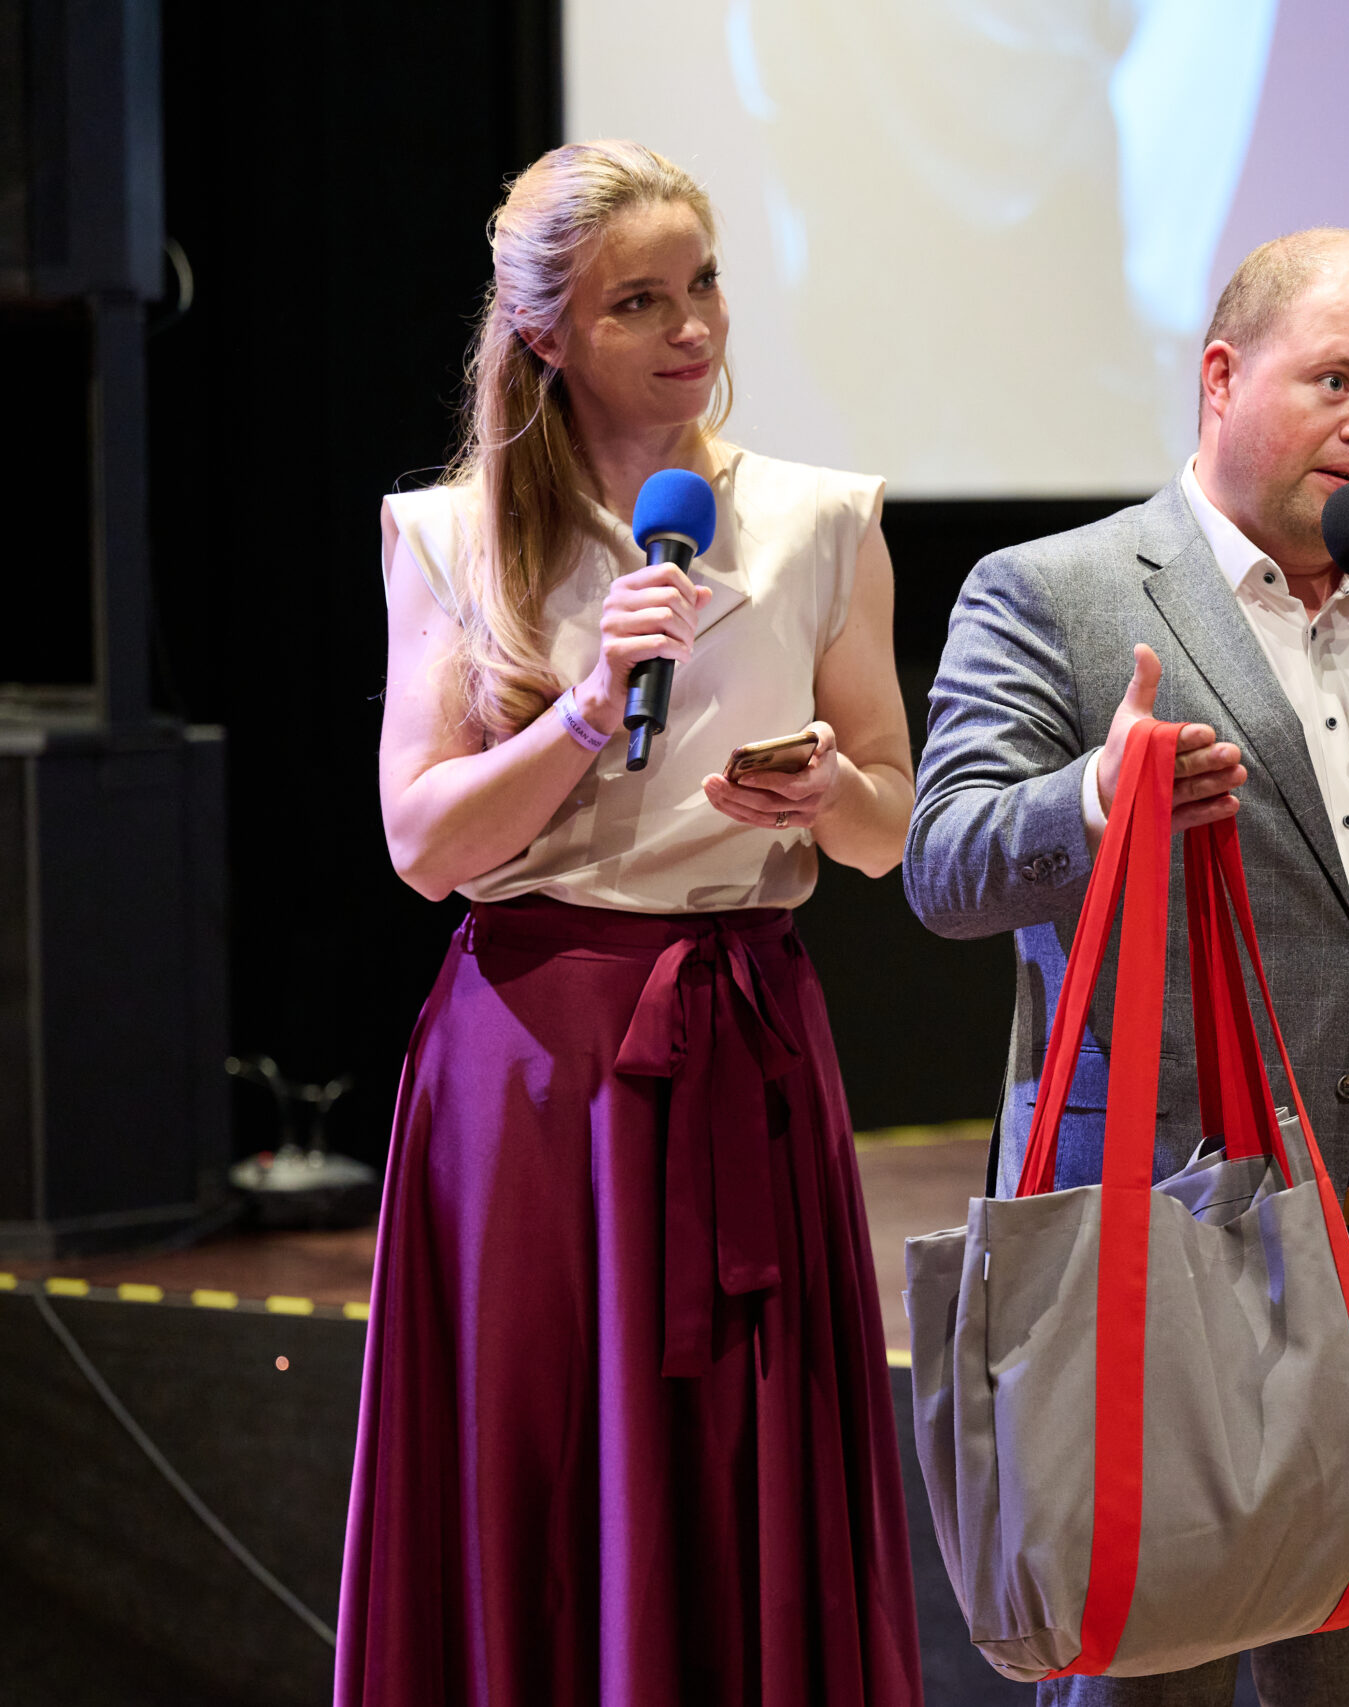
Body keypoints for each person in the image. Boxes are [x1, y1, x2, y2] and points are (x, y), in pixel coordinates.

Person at [903, 228, 1349, 1706]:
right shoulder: (1056, 592)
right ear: (1223, 377)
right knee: (1144, 1685)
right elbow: (945, 861)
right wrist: (1093, 798)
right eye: (1337, 381)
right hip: (1152, 1261)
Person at [340, 140, 923, 1706]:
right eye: (640, 303)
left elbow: (891, 826)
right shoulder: (452, 537)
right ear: (545, 334)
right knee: (535, 1462)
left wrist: (825, 796)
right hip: (533, 1064)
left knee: (738, 1464)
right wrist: (591, 704)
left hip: (741, 1039)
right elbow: (424, 846)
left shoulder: (818, 522)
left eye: (705, 285)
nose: (694, 329)